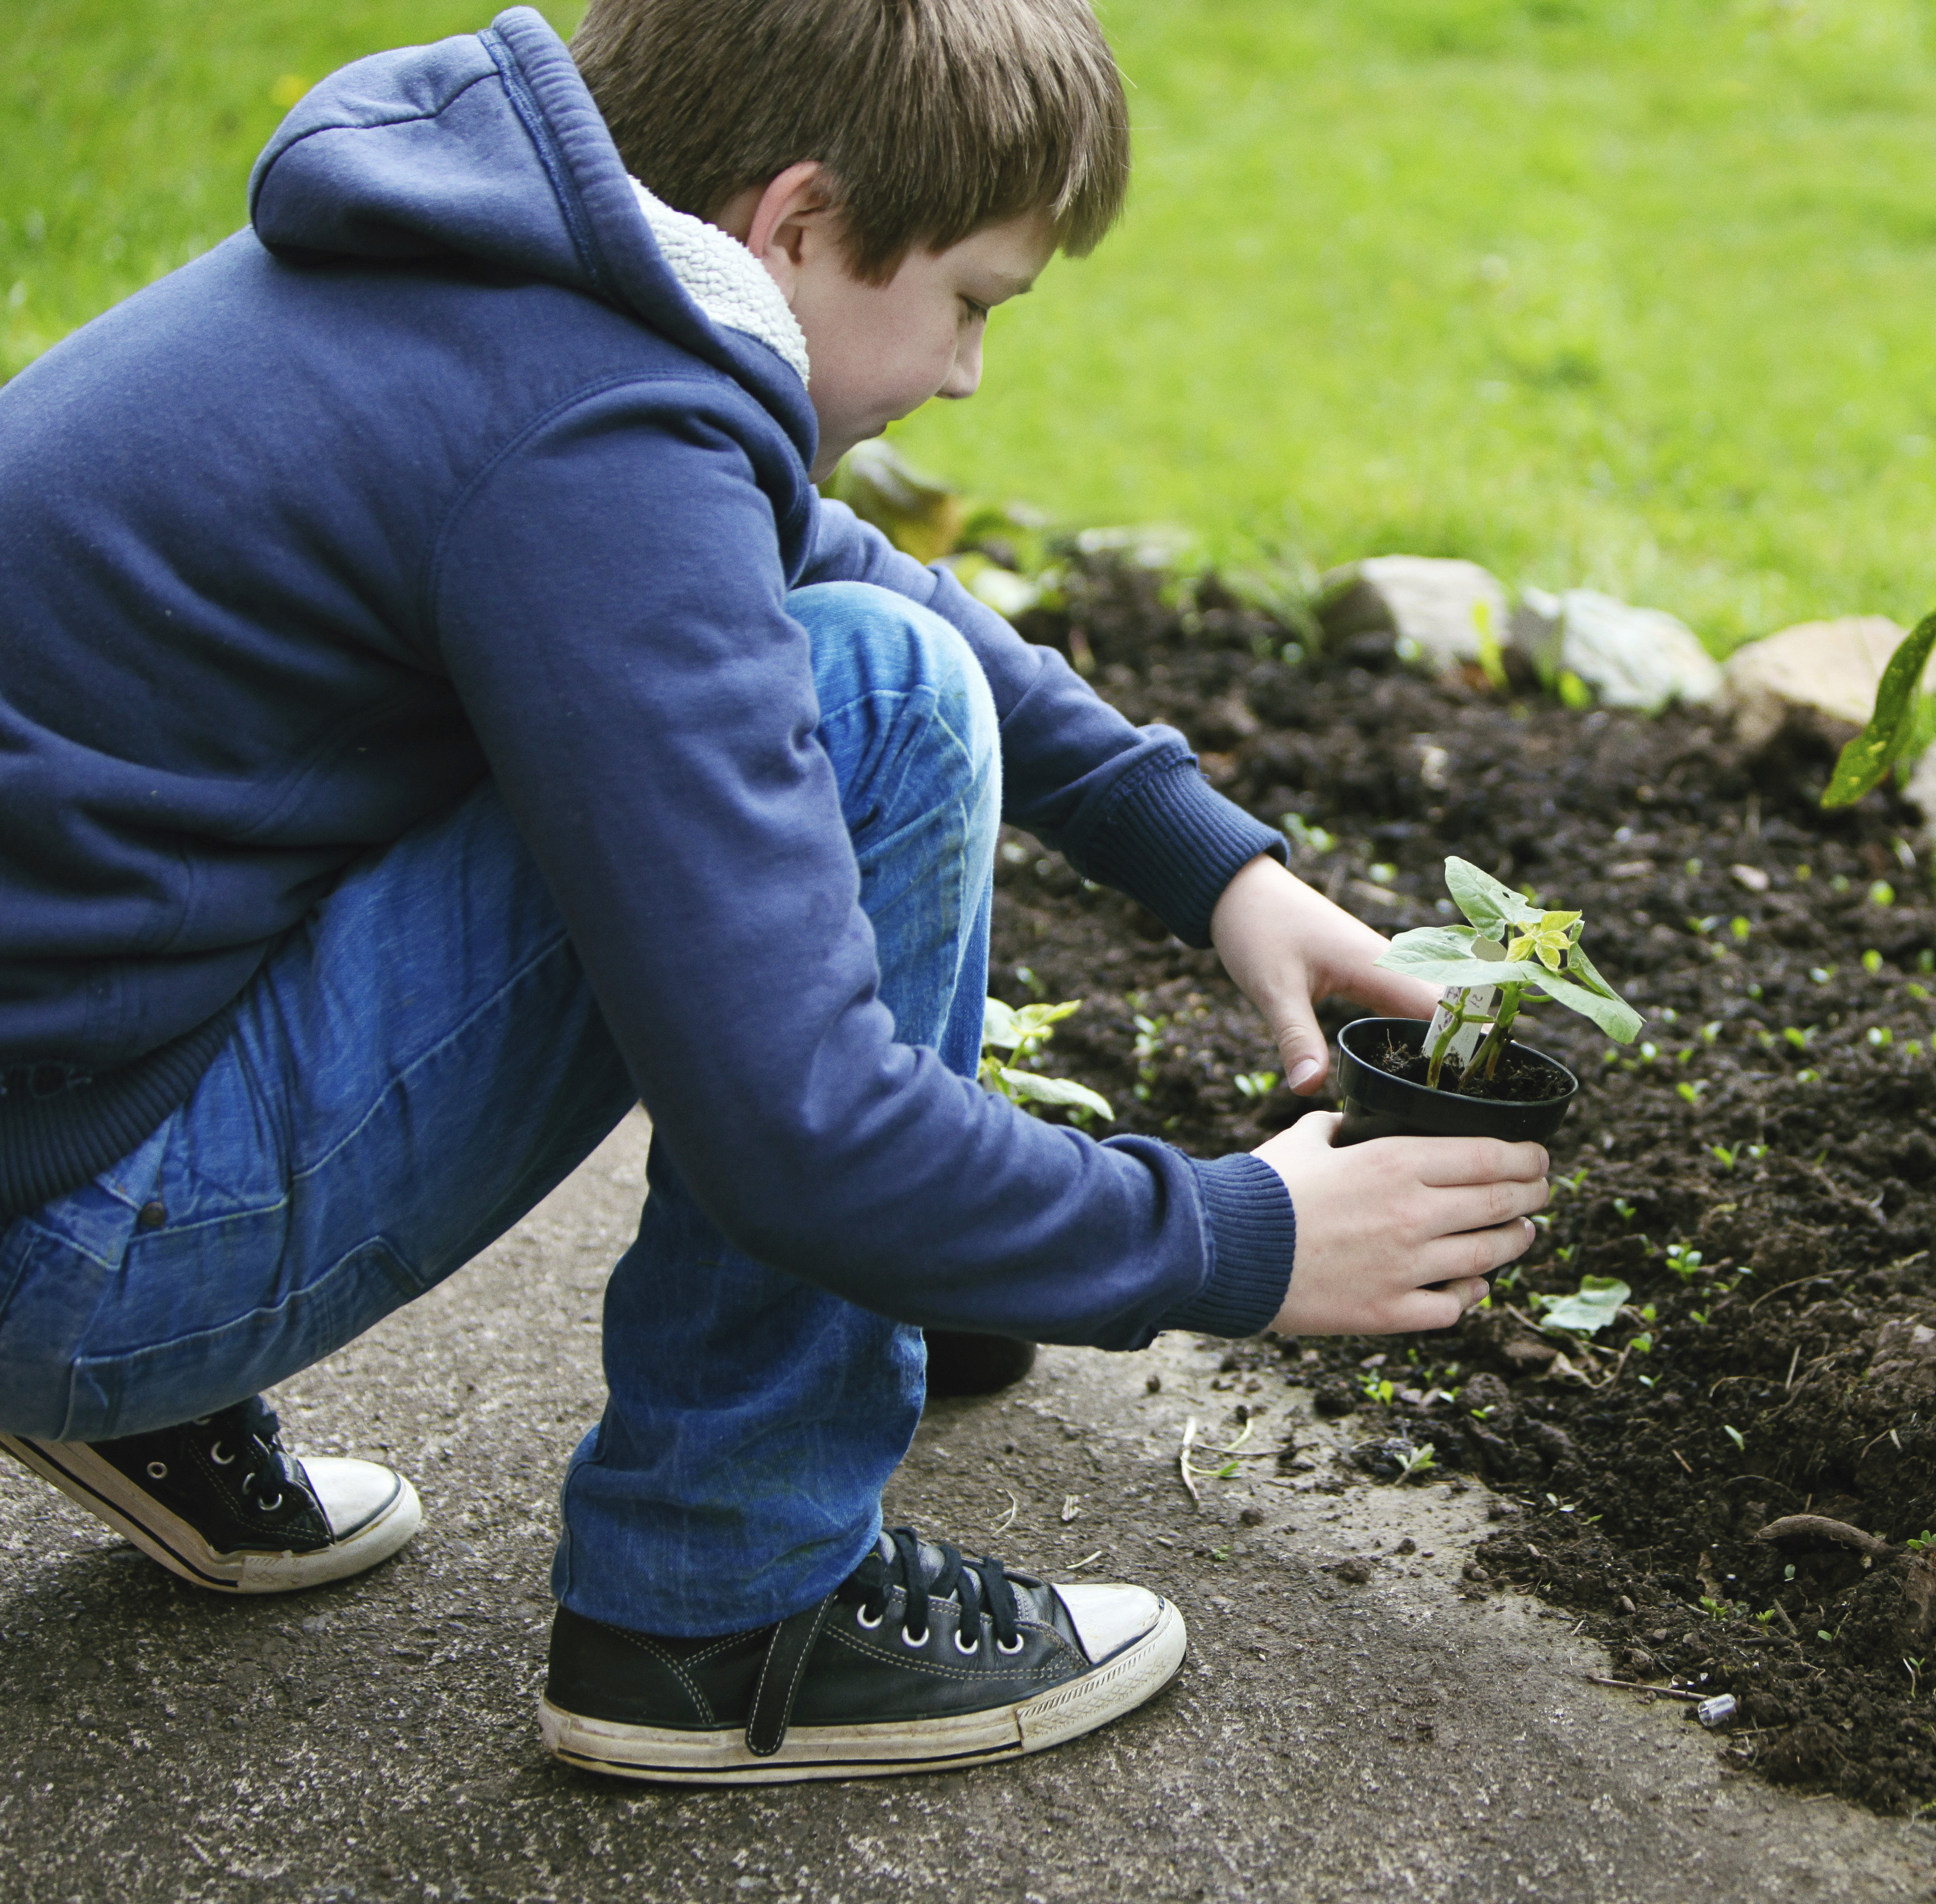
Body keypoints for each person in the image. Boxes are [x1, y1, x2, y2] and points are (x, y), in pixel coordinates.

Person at [0, 0, 1548, 1783]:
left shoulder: (479, 250)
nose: (970, 371)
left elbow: (796, 542)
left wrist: (1209, 862)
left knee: (800, 661)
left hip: (56, 1087)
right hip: (69, 1232)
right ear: (798, 221)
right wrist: (1237, 1241)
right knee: (882, 699)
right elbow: (797, 1135)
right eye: (972, 299)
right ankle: (726, 1606)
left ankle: (175, 1390)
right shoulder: (592, 448)